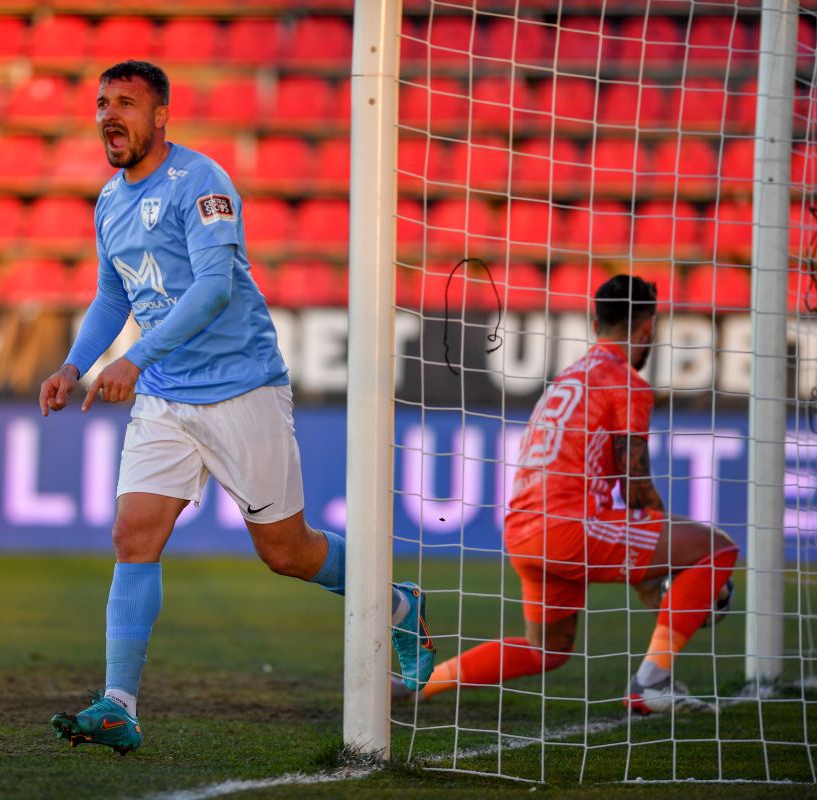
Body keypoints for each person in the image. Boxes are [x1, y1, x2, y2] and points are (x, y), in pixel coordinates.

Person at [39, 60, 434, 754]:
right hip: (166, 399)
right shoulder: (109, 201)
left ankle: (398, 606)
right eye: (103, 102)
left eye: (126, 103)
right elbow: (113, 294)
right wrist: (74, 364)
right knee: (133, 535)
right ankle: (119, 704)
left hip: (239, 386)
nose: (110, 114)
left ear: (160, 116)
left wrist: (135, 358)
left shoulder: (201, 182)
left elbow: (216, 286)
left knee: (287, 552)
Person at [416, 275, 738, 714]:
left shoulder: (567, 379)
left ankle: (421, 684)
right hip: (571, 529)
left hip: (524, 531)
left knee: (545, 650)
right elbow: (634, 480)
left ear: (594, 322)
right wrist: (657, 569)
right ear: (647, 329)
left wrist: (650, 563)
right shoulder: (624, 381)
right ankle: (652, 683)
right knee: (715, 549)